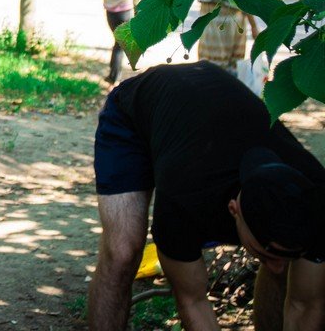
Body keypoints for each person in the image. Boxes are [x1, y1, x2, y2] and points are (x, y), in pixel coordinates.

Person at [87, 62, 325, 330]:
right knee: (122, 252)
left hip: (204, 116)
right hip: (137, 115)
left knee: (278, 259)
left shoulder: (315, 198)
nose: (279, 266)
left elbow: (306, 306)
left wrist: (275, 253)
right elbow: (193, 300)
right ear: (234, 209)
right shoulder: (184, 202)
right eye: (264, 251)